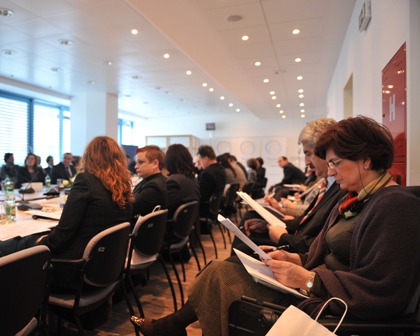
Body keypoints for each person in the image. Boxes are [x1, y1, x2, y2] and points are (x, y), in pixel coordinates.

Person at [130, 116, 420, 336]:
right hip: (322, 289)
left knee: (220, 274)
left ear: (366, 159)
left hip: (334, 307)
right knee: (223, 269)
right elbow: (333, 256)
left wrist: (306, 278)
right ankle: (170, 328)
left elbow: (382, 292)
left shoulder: (394, 205)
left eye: (336, 163)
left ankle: (169, 327)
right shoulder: (357, 198)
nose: (329, 171)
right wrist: (296, 259)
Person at [0, 136, 134, 292]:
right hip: (103, 268)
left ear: (89, 157)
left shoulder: (86, 181)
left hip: (72, 270)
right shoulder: (124, 188)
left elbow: (61, 236)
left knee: (12, 245)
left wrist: (40, 243)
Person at [233, 118, 346, 254]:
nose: (306, 162)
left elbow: (321, 245)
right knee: (247, 230)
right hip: (296, 239)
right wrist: (271, 224)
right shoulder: (331, 184)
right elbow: (309, 220)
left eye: (309, 154)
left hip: (298, 249)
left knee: (239, 250)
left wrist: (283, 237)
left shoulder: (343, 188)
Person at [132, 145, 167, 223]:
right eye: (136, 163)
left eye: (140, 162)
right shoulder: (152, 180)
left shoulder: (154, 186)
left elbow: (130, 208)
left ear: (155, 164)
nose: (135, 166)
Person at [165, 144, 200, 219]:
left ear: (169, 161)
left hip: (171, 226)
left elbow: (164, 209)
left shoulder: (173, 182)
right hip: (187, 223)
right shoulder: (192, 178)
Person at [197, 145, 226, 232]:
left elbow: (201, 195)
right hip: (215, 207)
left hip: (205, 209)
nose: (200, 164)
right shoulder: (221, 169)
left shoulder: (207, 173)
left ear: (206, 159)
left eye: (200, 161)